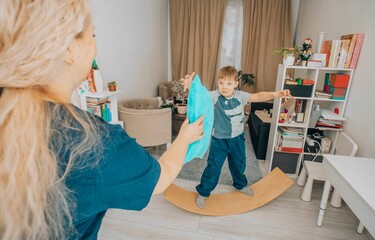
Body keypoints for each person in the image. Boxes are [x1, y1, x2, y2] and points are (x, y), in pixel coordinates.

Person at [0, 1, 204, 239]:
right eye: (92, 34)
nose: (94, 43)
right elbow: (160, 178)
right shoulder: (94, 144)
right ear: (68, 49)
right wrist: (184, 137)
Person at [182, 66, 290, 208]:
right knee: (213, 167)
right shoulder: (214, 96)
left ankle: (240, 185)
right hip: (218, 140)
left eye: (228, 84)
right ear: (218, 83)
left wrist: (275, 94)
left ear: (235, 84)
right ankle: (203, 192)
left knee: (239, 164)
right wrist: (191, 86)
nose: (224, 87)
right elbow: (200, 96)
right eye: (221, 83)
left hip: (237, 139)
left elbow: (257, 96)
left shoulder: (241, 96)